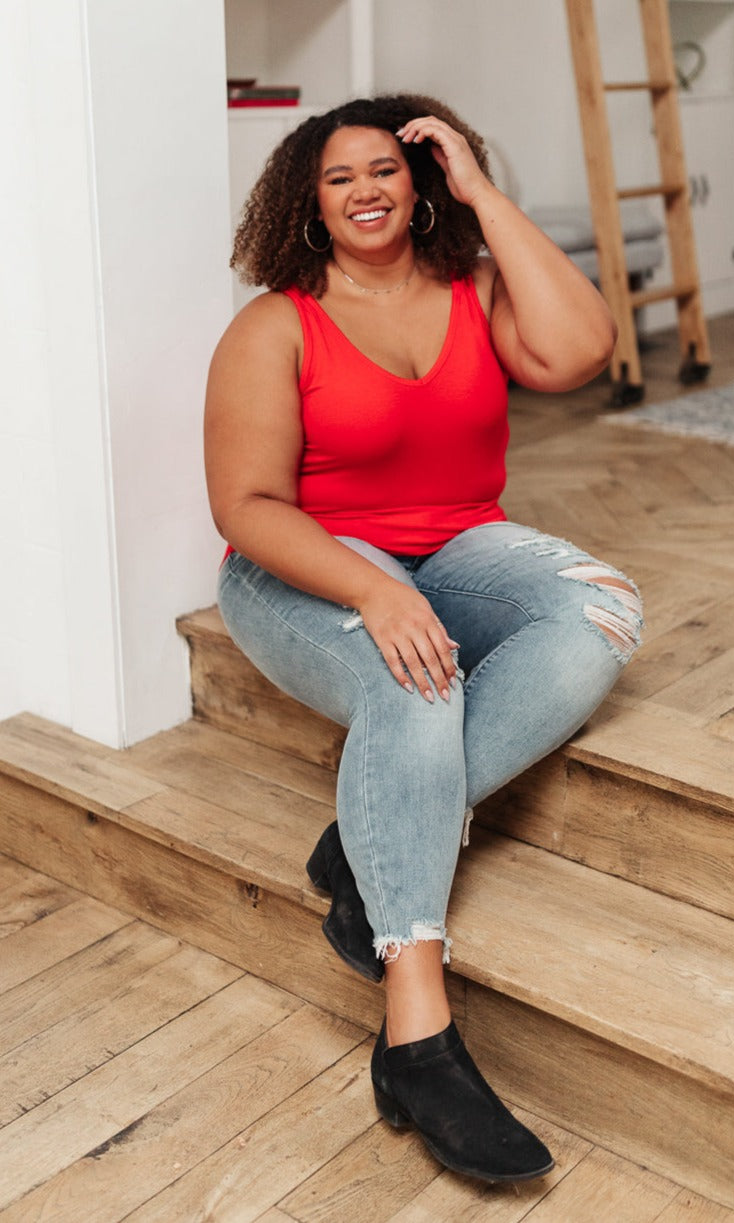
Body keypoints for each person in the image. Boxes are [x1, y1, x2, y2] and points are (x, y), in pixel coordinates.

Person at [205, 93, 642, 1183]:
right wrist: (373, 591)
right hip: (297, 567)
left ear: (421, 182)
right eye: (338, 176)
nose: (365, 191)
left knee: (601, 605)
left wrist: (480, 189)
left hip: (456, 548)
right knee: (419, 679)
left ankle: (366, 842)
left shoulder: (471, 284)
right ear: (307, 201)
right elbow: (247, 503)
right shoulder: (275, 322)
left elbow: (581, 349)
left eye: (387, 170)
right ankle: (417, 1031)